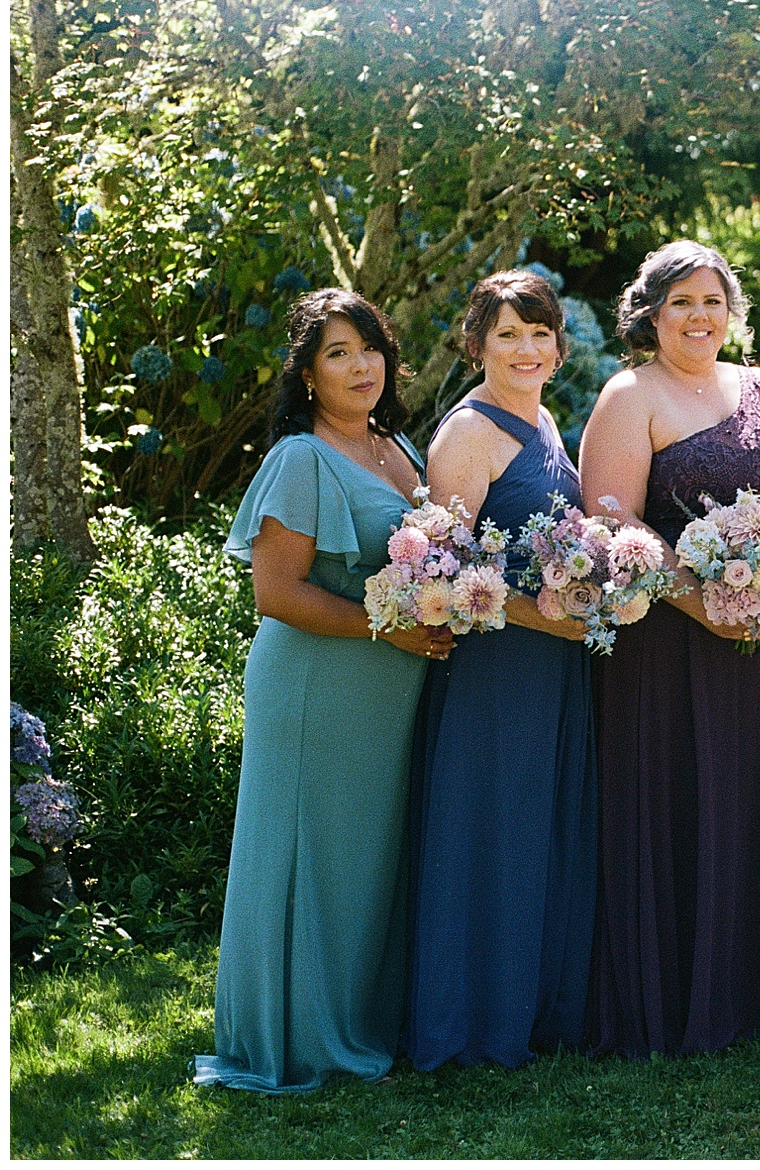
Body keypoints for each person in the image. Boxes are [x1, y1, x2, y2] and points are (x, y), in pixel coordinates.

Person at [196, 290, 448, 1093]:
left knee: (364, 861)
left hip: (388, 692)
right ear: (307, 374)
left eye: (369, 347)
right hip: (316, 685)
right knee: (307, 855)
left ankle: (362, 1018)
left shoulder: (399, 444)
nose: (360, 364)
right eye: (338, 352)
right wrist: (391, 630)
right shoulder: (300, 458)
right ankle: (295, 1039)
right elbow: (277, 592)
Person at [581, 242, 760, 1056]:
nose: (699, 316)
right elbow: (614, 520)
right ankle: (677, 992)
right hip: (669, 644)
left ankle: (756, 987)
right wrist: (705, 598)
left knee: (756, 792)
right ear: (651, 314)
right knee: (682, 796)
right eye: (681, 301)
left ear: (731, 311)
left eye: (712, 301)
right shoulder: (629, 395)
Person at [405, 271, 599, 1070]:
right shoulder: (467, 434)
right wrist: (538, 613)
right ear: (476, 342)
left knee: (539, 827)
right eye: (508, 333)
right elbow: (443, 577)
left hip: (552, 665)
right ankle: (472, 1022)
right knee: (491, 830)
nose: (527, 348)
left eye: (540, 333)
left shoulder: (547, 419)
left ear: (558, 346)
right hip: (495, 668)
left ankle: (535, 1006)